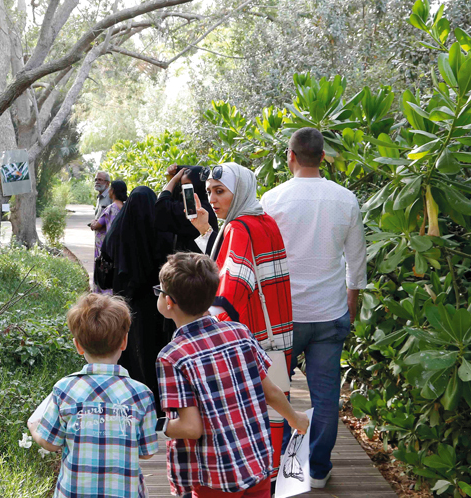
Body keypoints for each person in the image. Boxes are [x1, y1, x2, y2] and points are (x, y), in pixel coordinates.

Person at [260, 127, 367, 489]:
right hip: (329, 312)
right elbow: (356, 259)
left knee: (275, 390)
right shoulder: (345, 199)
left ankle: (275, 467)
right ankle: (317, 470)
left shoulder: (272, 200)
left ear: (289, 156)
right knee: (326, 395)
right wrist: (352, 302)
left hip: (281, 317)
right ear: (323, 157)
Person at [154, 252, 309, 498]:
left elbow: (191, 428)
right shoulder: (240, 333)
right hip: (256, 460)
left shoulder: (172, 356)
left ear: (169, 302)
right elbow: (269, 391)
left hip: (215, 474)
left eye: (159, 292)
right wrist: (294, 418)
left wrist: (159, 425)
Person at [188, 162, 293, 487]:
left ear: (240, 191)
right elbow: (234, 265)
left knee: (250, 431)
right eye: (209, 193)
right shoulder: (265, 222)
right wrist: (207, 231)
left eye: (220, 191)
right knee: (275, 418)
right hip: (276, 343)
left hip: (249, 348)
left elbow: (230, 290)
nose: (213, 199)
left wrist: (201, 334)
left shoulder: (238, 229)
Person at [28, 293, 159, 498]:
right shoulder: (141, 394)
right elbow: (147, 451)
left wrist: (34, 428)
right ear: (124, 341)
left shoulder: (65, 389)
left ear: (78, 345)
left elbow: (51, 443)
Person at [101, 186, 172, 411]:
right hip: (156, 302)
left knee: (130, 349)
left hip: (126, 300)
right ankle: (160, 403)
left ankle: (132, 400)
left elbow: (107, 256)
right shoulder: (160, 230)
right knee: (156, 348)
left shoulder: (118, 229)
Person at [156, 165, 218, 255]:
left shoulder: (195, 208)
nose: (182, 191)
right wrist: (179, 169)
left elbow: (162, 207)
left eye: (187, 187)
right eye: (182, 186)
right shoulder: (205, 205)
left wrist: (174, 179)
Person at [90, 180, 127, 295]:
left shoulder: (111, 208)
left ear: (112, 191)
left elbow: (98, 225)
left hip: (108, 249)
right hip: (121, 249)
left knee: (105, 275)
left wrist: (93, 223)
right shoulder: (126, 208)